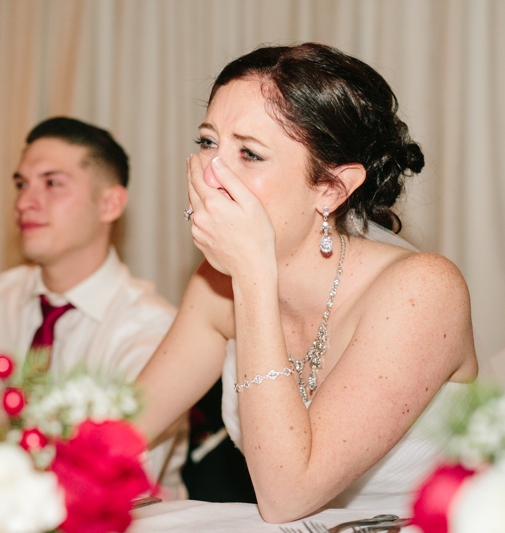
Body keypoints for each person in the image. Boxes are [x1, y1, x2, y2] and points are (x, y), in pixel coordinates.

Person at [136, 43, 478, 522]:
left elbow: (288, 495)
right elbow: (115, 436)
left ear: (330, 189)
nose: (211, 174)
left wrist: (253, 274)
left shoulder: (424, 290)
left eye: (250, 153)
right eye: (208, 142)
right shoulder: (214, 285)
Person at [0, 117, 187, 499]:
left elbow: (109, 480)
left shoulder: (152, 328)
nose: (24, 202)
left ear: (110, 204)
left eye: (52, 183)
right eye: (21, 184)